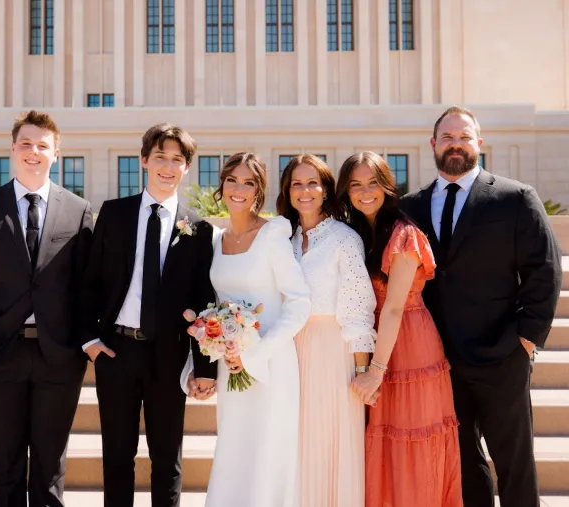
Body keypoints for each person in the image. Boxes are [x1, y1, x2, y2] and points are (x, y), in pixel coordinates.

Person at [399, 106, 562, 507]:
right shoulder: (411, 207)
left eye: (464, 137)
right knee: (463, 461)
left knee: (514, 461)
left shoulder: (515, 198)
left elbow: (544, 271)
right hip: (439, 358)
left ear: (479, 144)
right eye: (448, 138)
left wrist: (525, 339)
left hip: (502, 354)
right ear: (433, 144)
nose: (456, 145)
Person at [0, 110, 93, 507]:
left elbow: (85, 287)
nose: (34, 151)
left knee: (50, 473)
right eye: (26, 144)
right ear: (13, 149)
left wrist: (81, 343)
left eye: (43, 145)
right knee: (4, 471)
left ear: (57, 154)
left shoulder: (78, 209)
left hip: (58, 356)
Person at [79, 123, 217, 507]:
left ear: (186, 167)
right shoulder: (114, 213)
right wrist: (90, 341)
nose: (167, 167)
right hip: (117, 352)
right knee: (118, 457)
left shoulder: (199, 228)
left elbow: (203, 299)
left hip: (169, 356)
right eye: (160, 157)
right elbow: (89, 282)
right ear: (144, 160)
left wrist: (204, 368)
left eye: (177, 159)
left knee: (166, 458)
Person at [336, 151, 463, 507]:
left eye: (372, 183)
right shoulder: (360, 231)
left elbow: (393, 307)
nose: (364, 192)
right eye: (355, 184)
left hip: (408, 341)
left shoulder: (404, 234)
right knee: (383, 440)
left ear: (387, 186)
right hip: (376, 339)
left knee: (410, 439)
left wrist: (376, 370)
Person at [185, 152, 310, 507]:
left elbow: (299, 303)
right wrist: (210, 355)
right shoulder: (215, 240)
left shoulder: (272, 234)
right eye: (232, 180)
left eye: (249, 182)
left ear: (260, 191)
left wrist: (256, 351)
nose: (239, 189)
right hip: (230, 366)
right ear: (221, 185)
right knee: (234, 450)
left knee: (268, 456)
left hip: (270, 364)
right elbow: (210, 308)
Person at [276, 154, 376, 507]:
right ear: (287, 191)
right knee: (295, 443)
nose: (305, 191)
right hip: (288, 352)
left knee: (330, 442)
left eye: (312, 183)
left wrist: (363, 371)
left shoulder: (344, 239)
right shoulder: (282, 238)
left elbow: (359, 310)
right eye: (296, 183)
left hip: (332, 351)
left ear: (326, 190)